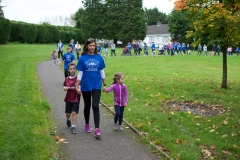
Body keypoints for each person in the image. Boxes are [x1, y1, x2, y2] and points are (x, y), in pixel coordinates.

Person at [75, 38, 107, 137]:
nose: (92, 47)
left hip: (96, 84)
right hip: (85, 85)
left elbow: (102, 71)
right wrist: (77, 85)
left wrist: (105, 84)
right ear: (86, 46)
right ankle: (87, 124)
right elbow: (80, 73)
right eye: (90, 45)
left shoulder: (99, 58)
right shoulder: (82, 58)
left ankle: (97, 128)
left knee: (95, 106)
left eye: (94, 45)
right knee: (87, 105)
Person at [63, 62, 81, 134]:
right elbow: (64, 86)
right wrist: (65, 88)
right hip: (68, 98)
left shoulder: (78, 79)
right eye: (71, 69)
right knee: (68, 113)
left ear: (76, 70)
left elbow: (80, 87)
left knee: (74, 112)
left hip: (76, 98)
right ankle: (68, 119)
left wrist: (79, 90)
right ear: (68, 70)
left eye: (74, 69)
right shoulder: (67, 79)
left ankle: (73, 127)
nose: (72, 70)